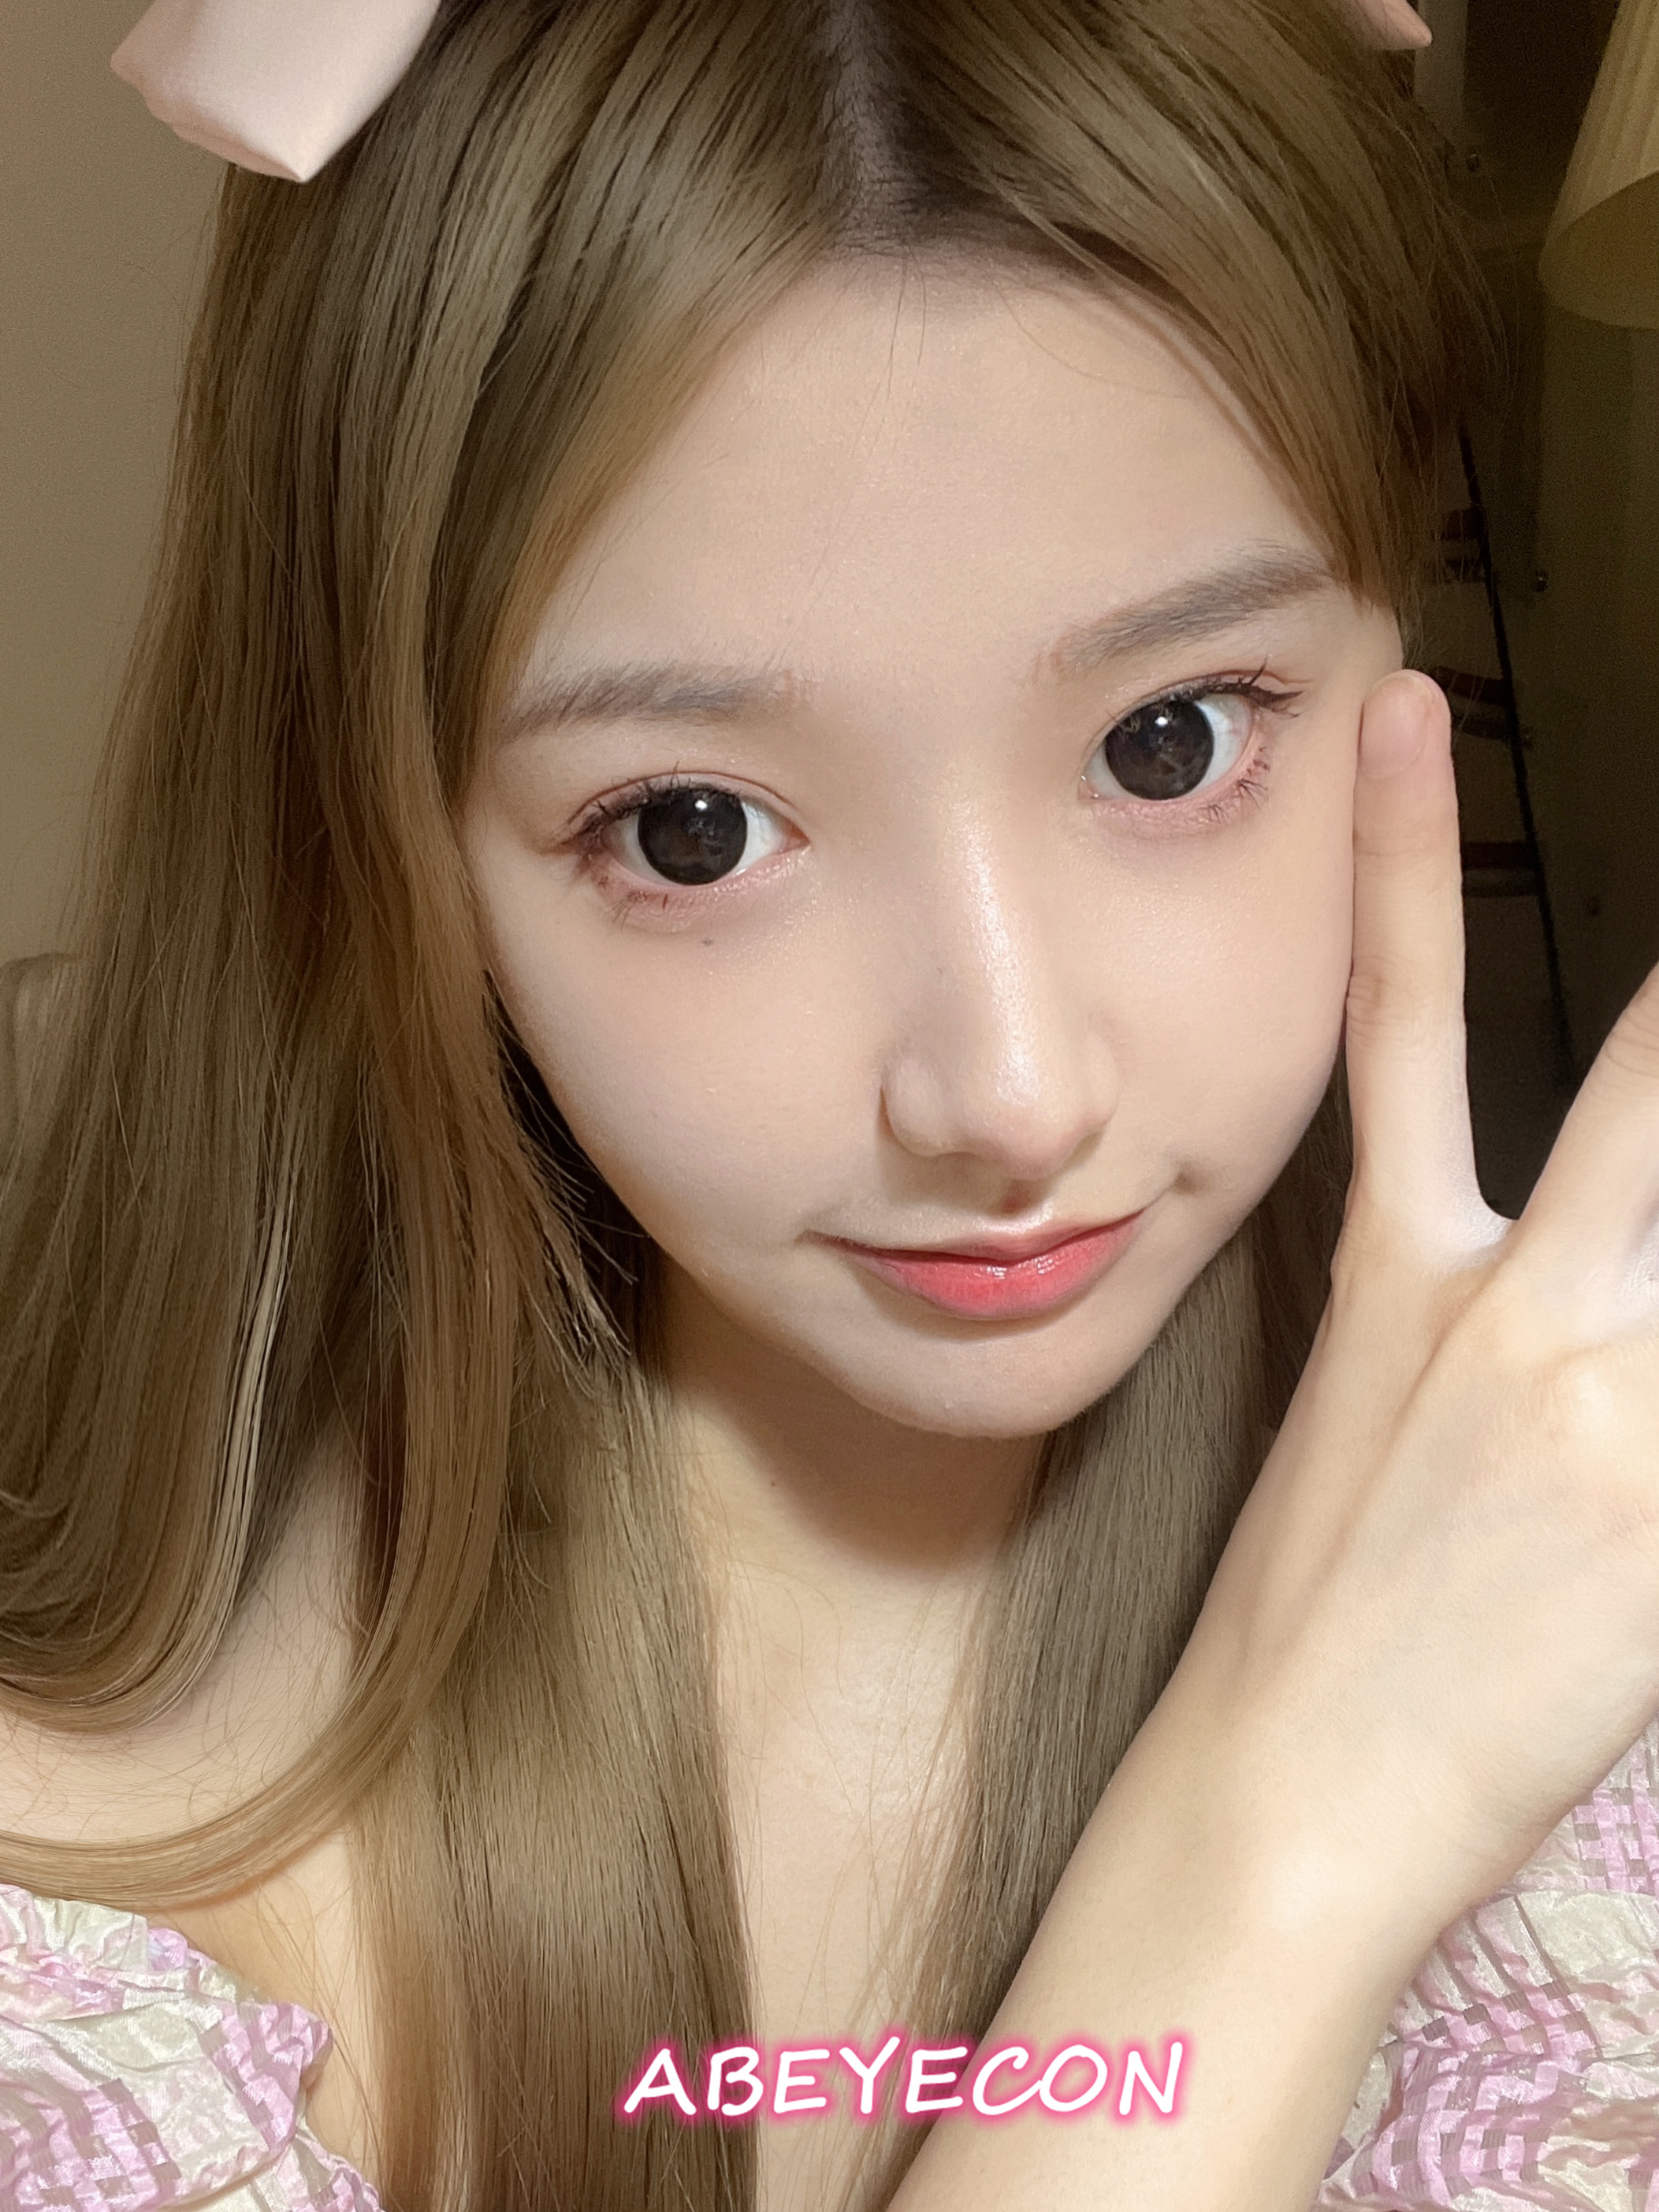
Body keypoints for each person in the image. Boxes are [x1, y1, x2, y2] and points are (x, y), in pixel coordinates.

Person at [5, 2, 1659, 2208]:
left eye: (1169, 740)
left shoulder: (1601, 1654)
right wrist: (1299, 1845)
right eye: (691, 830)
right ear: (384, 837)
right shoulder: (86, 1943)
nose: (1007, 1091)